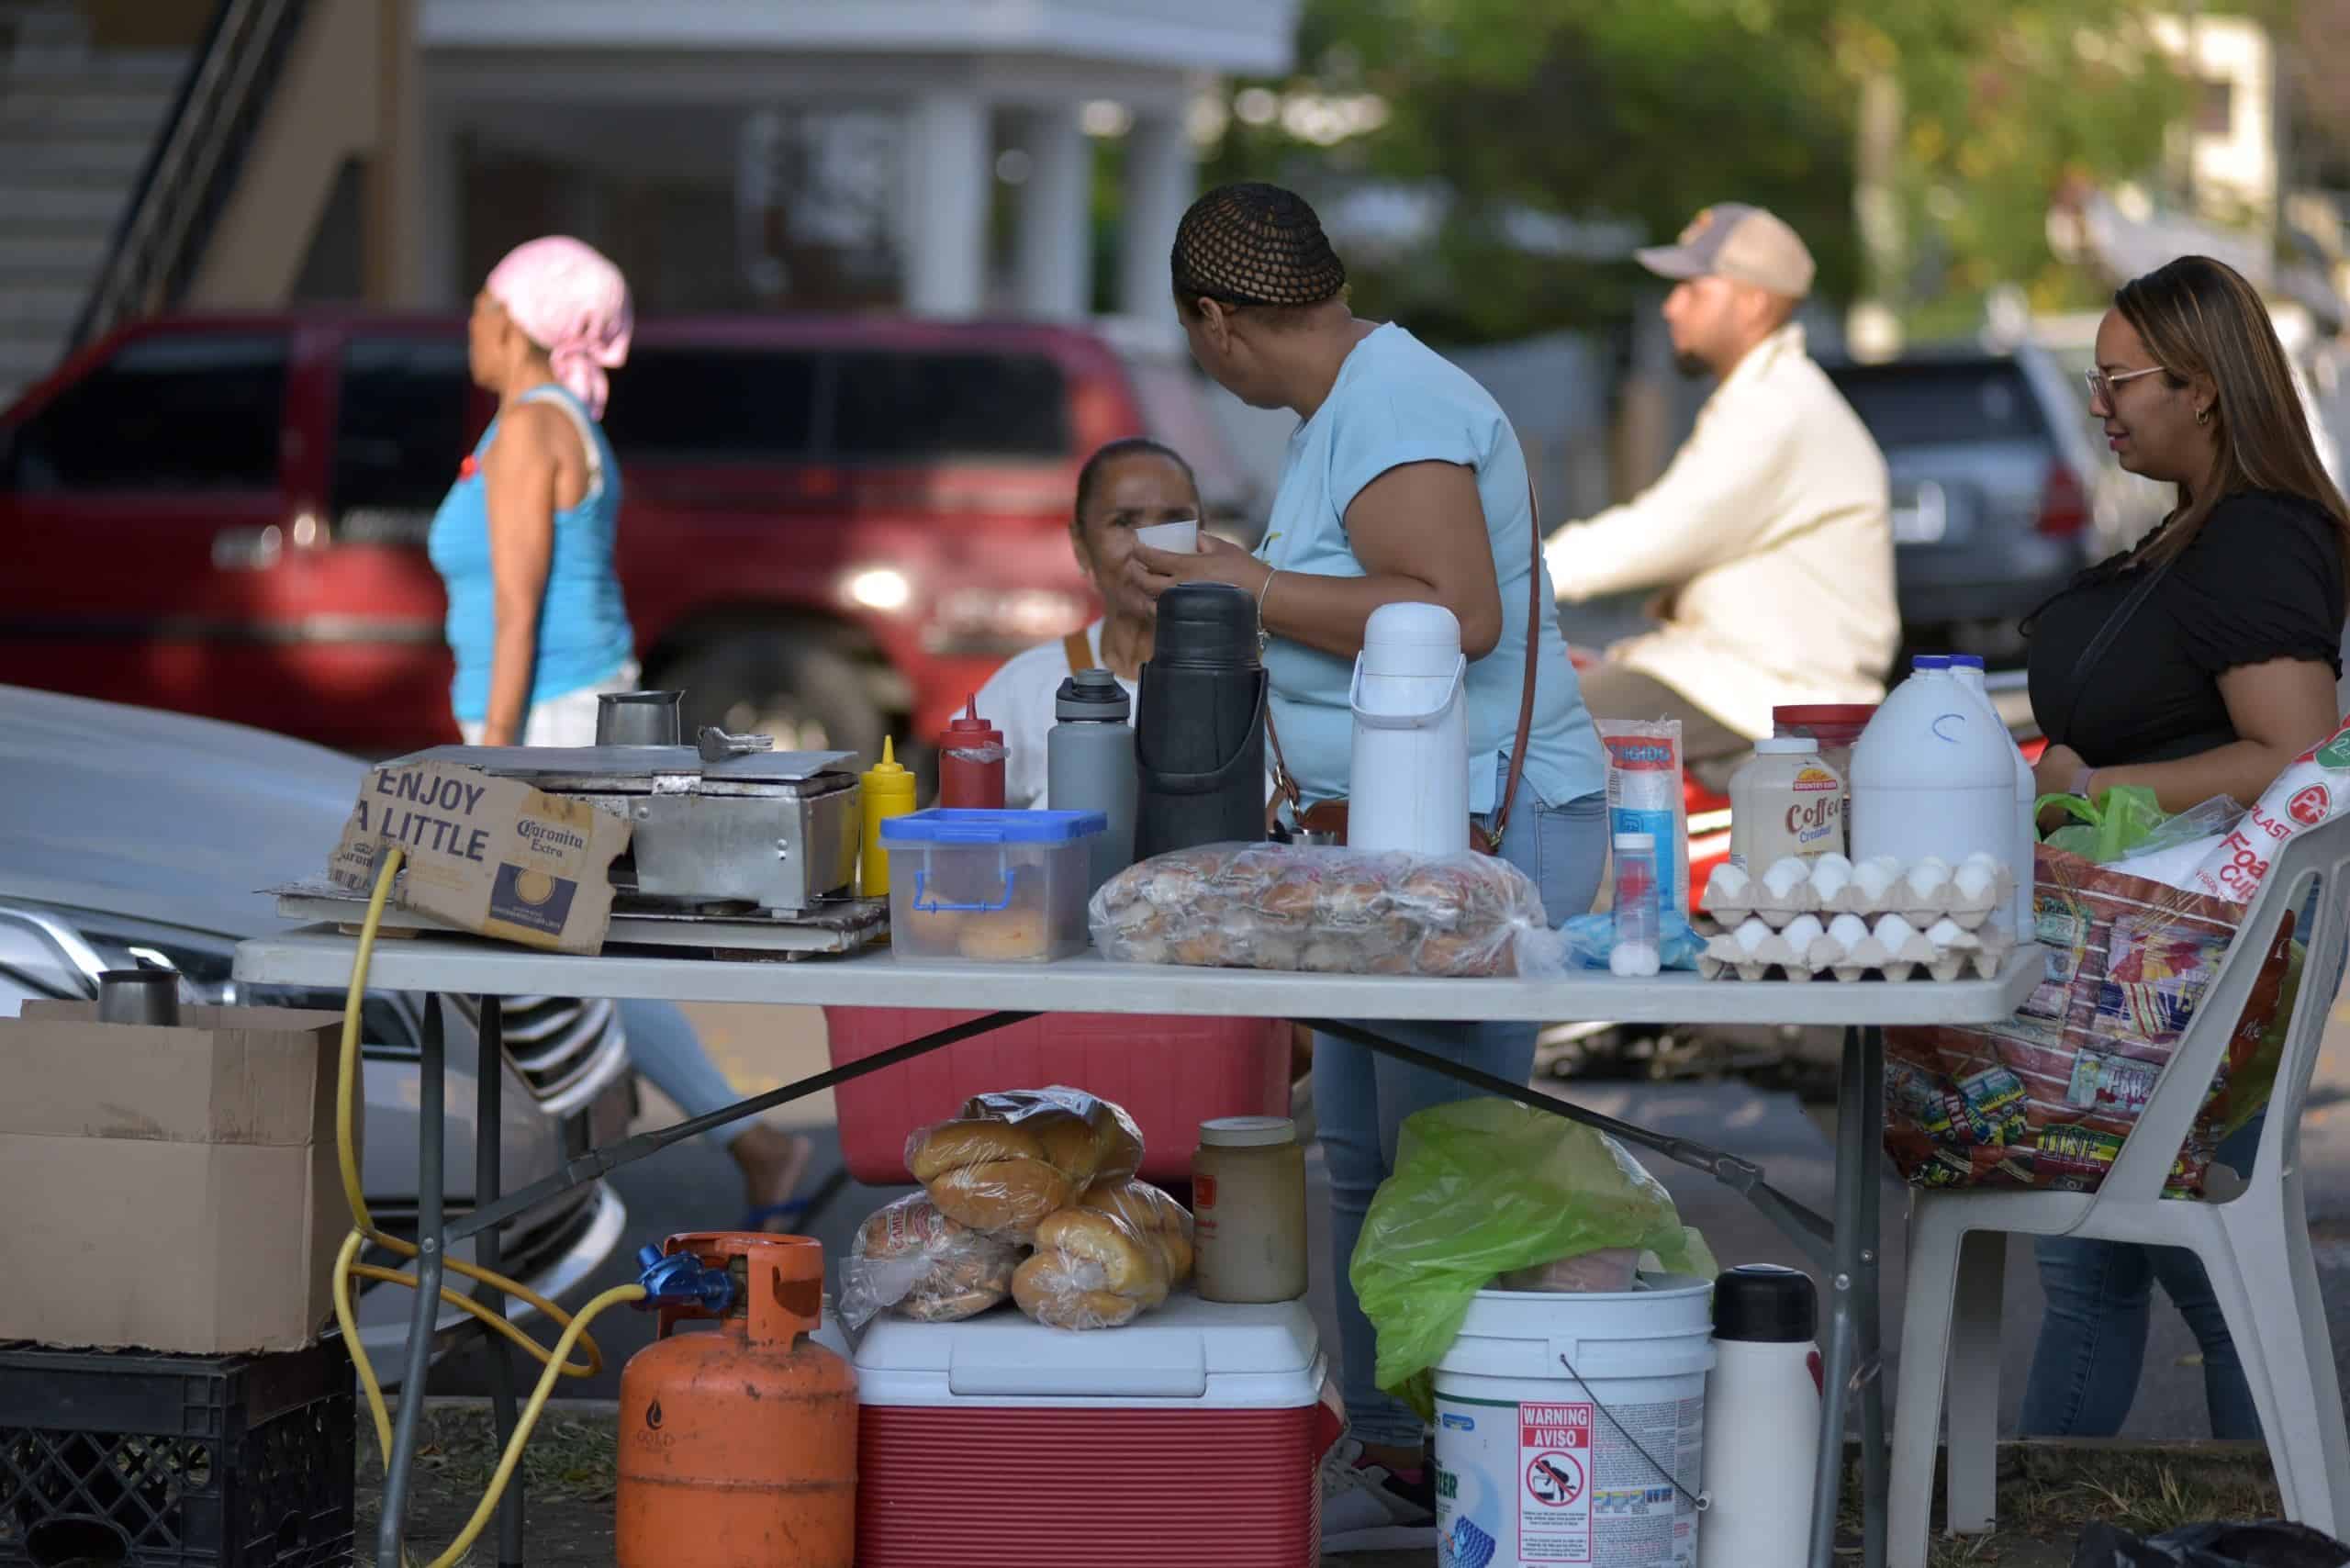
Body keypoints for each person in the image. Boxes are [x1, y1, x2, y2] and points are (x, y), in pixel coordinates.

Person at [1132, 182, 1611, 1552]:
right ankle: (1407, 1451)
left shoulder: (1392, 405)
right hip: (1391, 850)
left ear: (1219, 322)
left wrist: (1244, 583)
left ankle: (1495, 1458)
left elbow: (1453, 615)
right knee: (1365, 1148)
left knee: (1445, 1155)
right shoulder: (1354, 405)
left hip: (1471, 837)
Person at [2020, 253, 2348, 1439]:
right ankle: (2046, 1505)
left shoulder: (2255, 542)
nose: (2098, 406)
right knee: (2102, 1260)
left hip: (2202, 962)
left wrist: (2099, 786)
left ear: (2202, 388)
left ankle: (2275, 1510)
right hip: (2152, 951)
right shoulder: (2200, 532)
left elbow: (2297, 756)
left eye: (2119, 383)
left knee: (2186, 1254)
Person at [426, 235, 811, 1229]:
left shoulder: (529, 430)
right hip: (562, 711)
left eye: (479, 304)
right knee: (577, 961)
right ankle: (735, 1140)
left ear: (517, 322)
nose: (467, 322)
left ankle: (622, 1159)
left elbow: (518, 608)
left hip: (545, 723)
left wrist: (491, 759)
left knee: (556, 964)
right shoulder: (547, 424)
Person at [1543, 203, 1897, 776]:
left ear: (1752, 300)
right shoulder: (1766, 395)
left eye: (1692, 288)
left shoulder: (1777, 408)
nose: (1670, 305)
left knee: (1533, 730)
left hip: (1766, 688)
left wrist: (1517, 572)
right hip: (1736, 675)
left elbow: (1660, 532)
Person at [974, 436, 1202, 806]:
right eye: (1124, 522)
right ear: (1082, 547)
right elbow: (954, 826)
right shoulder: (1027, 687)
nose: (1153, 548)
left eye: (1175, 521)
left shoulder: (1248, 686)